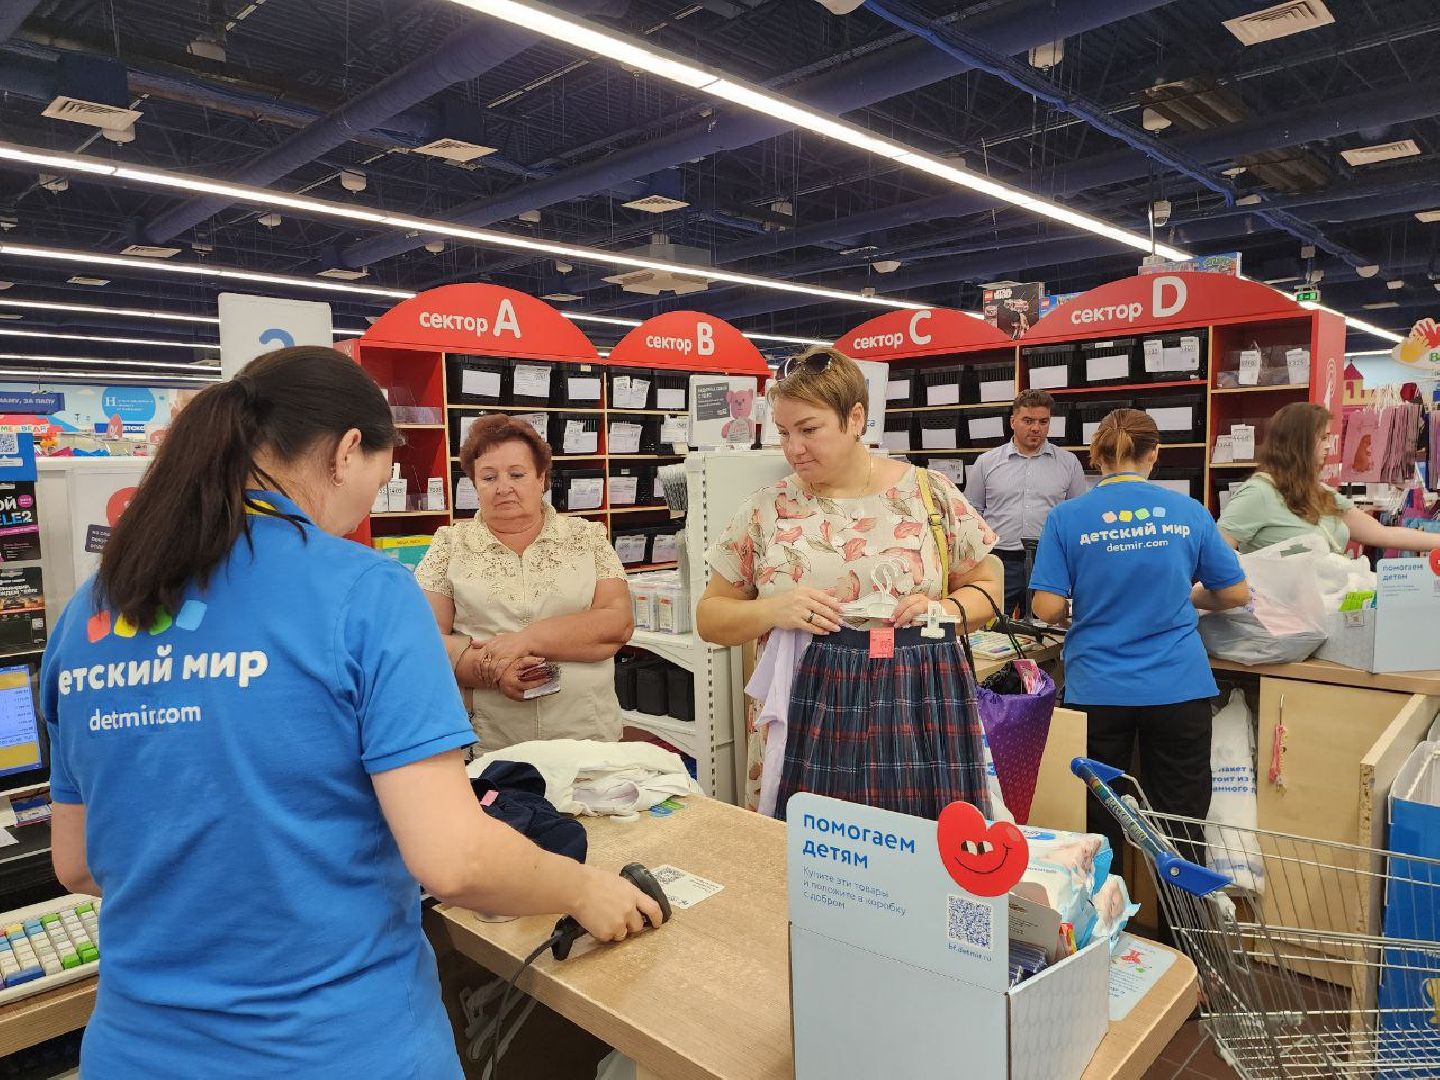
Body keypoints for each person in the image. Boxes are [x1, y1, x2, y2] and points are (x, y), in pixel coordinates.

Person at [41, 347, 661, 1079]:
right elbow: (454, 859)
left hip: (135, 1050)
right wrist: (585, 887)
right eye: (380, 474)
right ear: (344, 453)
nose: (372, 497)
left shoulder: (97, 605)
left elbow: (77, 862)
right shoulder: (365, 592)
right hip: (337, 1045)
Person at [695, 346, 1003, 821]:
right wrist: (773, 611)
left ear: (855, 418)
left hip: (918, 696)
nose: (793, 448)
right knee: (810, 851)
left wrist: (943, 611)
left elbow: (988, 585)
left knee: (921, 843)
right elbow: (710, 617)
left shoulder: (928, 494)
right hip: (806, 703)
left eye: (809, 430)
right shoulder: (765, 510)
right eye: (783, 432)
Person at [1029, 409, 1250, 865]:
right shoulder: (1189, 512)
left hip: (1099, 689)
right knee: (1182, 824)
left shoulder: (1067, 517)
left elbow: (1046, 608)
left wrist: (1087, 602)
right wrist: (1187, 596)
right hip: (1178, 687)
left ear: (1096, 456)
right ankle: (1184, 932)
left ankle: (1106, 927)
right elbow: (1235, 593)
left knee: (1099, 823)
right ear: (1155, 455)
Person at [415, 414, 633, 751]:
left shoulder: (586, 538)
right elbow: (424, 641)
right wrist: (494, 672)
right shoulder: (449, 546)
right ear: (474, 484)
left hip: (587, 736)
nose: (504, 487)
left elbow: (616, 623)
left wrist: (526, 641)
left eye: (517, 474)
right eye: (489, 477)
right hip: (490, 741)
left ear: (541, 478)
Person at [1219, 401, 1440, 556]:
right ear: (1299, 442)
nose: (1328, 445)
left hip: (1323, 611)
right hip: (1276, 617)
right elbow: (1215, 553)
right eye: (1323, 438)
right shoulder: (1259, 493)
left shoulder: (1320, 493)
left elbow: (1383, 535)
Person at [965, 389, 1087, 617]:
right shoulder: (986, 462)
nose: (1036, 428)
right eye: (1028, 421)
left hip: (1048, 561)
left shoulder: (1069, 463)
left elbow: (1076, 518)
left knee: (1047, 625)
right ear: (1013, 421)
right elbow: (972, 515)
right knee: (993, 624)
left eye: (1043, 421)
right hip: (999, 561)